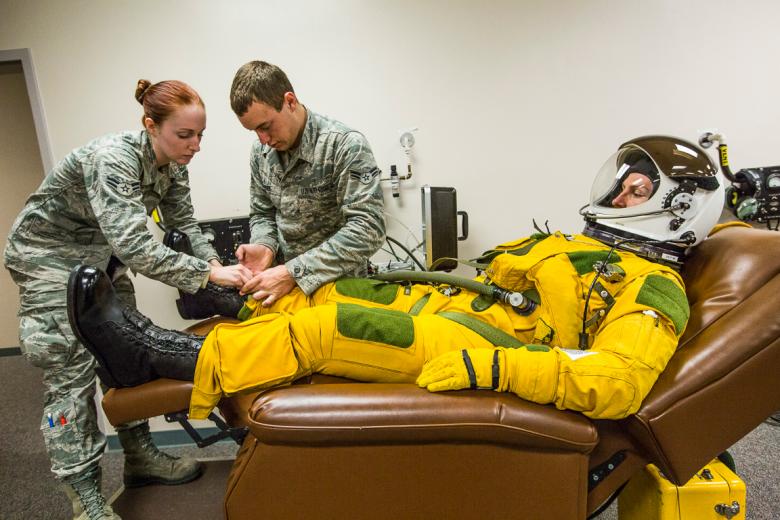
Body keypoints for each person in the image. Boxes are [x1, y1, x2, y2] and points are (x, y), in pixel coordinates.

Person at [68, 135, 726, 428]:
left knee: (335, 328)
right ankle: (240, 311)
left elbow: (615, 383)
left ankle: (155, 356)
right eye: (622, 181)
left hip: (489, 344)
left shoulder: (652, 288)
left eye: (634, 188)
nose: (616, 193)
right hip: (464, 307)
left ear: (673, 208)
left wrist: (495, 368)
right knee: (315, 290)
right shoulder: (583, 246)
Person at [3, 79, 252, 520]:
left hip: (103, 257)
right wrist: (208, 274)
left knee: (128, 354)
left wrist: (220, 268)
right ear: (150, 125)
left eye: (200, 135)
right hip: (50, 257)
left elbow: (186, 226)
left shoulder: (174, 164)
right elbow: (137, 246)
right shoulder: (111, 159)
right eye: (184, 135)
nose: (195, 146)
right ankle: (86, 499)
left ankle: (139, 459)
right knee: (70, 371)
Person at [229, 60, 386, 306]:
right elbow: (262, 213)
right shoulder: (261, 153)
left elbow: (368, 228)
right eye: (254, 132)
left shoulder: (344, 145)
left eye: (266, 126)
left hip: (342, 293)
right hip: (284, 293)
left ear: (290, 101)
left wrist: (295, 272)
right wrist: (264, 245)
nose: (263, 139)